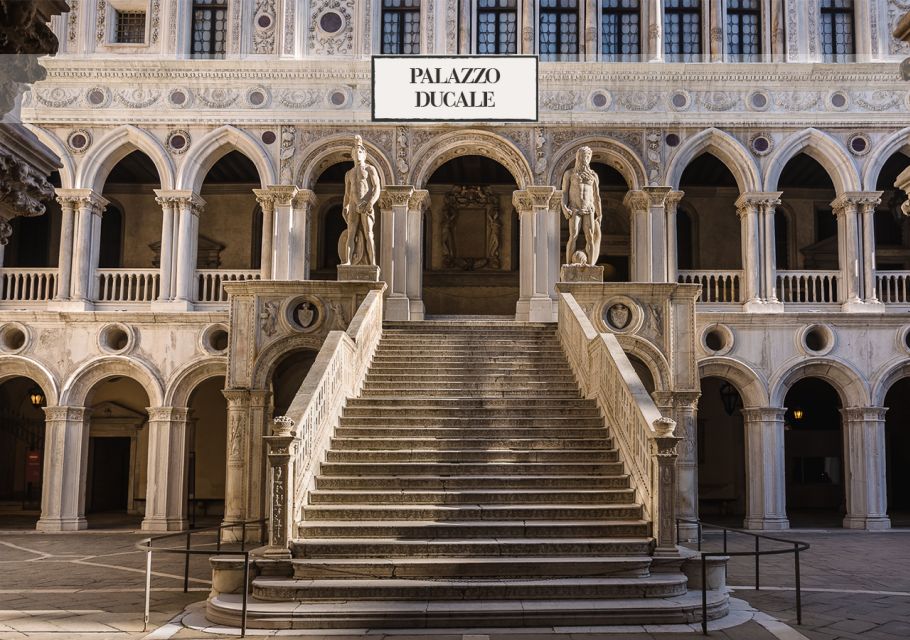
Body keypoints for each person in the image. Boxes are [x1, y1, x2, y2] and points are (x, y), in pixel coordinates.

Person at [341, 135, 381, 266]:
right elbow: (347, 193)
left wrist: (371, 203)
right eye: (354, 153)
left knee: (369, 234)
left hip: (365, 204)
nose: (357, 154)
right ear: (351, 156)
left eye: (359, 152)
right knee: (351, 233)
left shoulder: (370, 169)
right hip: (353, 204)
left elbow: (377, 188)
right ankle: (347, 262)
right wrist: (345, 206)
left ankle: (372, 263)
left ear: (364, 154)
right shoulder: (349, 173)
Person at [561, 146, 602, 266]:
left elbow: (596, 196)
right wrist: (564, 207)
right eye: (584, 156)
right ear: (578, 157)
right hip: (575, 208)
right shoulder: (570, 174)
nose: (586, 158)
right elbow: (564, 192)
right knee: (573, 235)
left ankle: (590, 265)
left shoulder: (593, 175)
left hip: (589, 209)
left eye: (588, 156)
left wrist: (600, 213)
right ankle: (568, 265)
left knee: (590, 237)